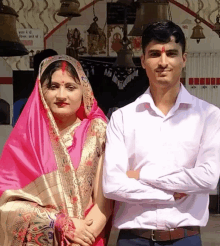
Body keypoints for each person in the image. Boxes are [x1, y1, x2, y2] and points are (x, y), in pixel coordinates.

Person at [102, 20, 220, 246]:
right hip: (133, 239)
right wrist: (170, 193)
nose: (163, 62)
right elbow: (112, 184)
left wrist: (141, 175)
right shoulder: (123, 119)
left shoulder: (209, 116)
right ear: (143, 61)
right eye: (155, 54)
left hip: (185, 238)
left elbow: (207, 179)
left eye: (172, 54)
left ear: (183, 59)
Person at [0, 55, 113, 246]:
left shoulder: (97, 132)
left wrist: (80, 240)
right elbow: (6, 204)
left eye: (70, 87)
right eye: (53, 87)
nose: (61, 95)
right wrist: (60, 223)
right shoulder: (25, 139)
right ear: (40, 91)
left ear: (84, 91)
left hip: (88, 239)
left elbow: (104, 205)